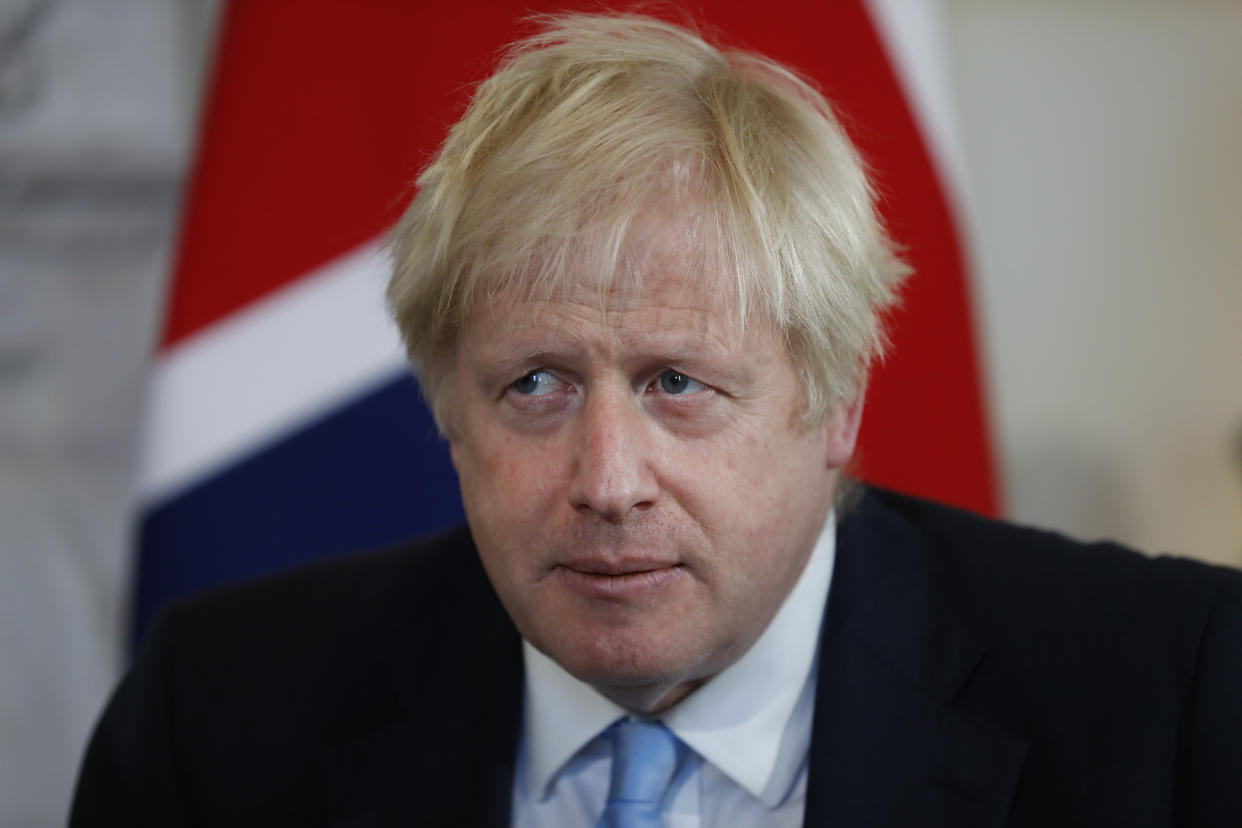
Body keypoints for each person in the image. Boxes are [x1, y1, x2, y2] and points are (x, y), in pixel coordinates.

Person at [71, 13, 1240, 828]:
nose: (610, 480)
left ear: (835, 400)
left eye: (678, 383)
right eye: (536, 385)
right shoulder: (216, 718)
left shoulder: (1166, 701)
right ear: (447, 413)